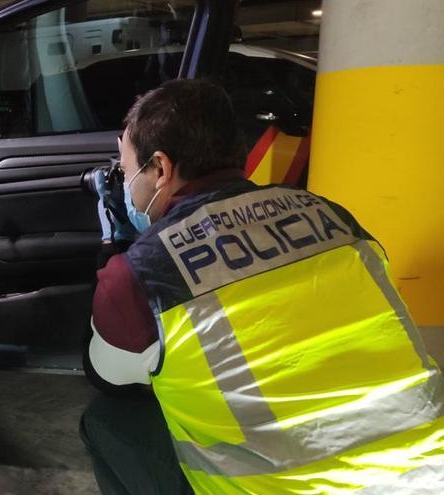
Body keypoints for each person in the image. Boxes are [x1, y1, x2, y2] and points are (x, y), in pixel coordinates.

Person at [81, 79, 444, 494]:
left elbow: (107, 376)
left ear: (160, 169)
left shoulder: (141, 272)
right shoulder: (336, 217)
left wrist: (114, 250)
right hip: (424, 474)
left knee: (106, 419)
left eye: (126, 170)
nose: (124, 183)